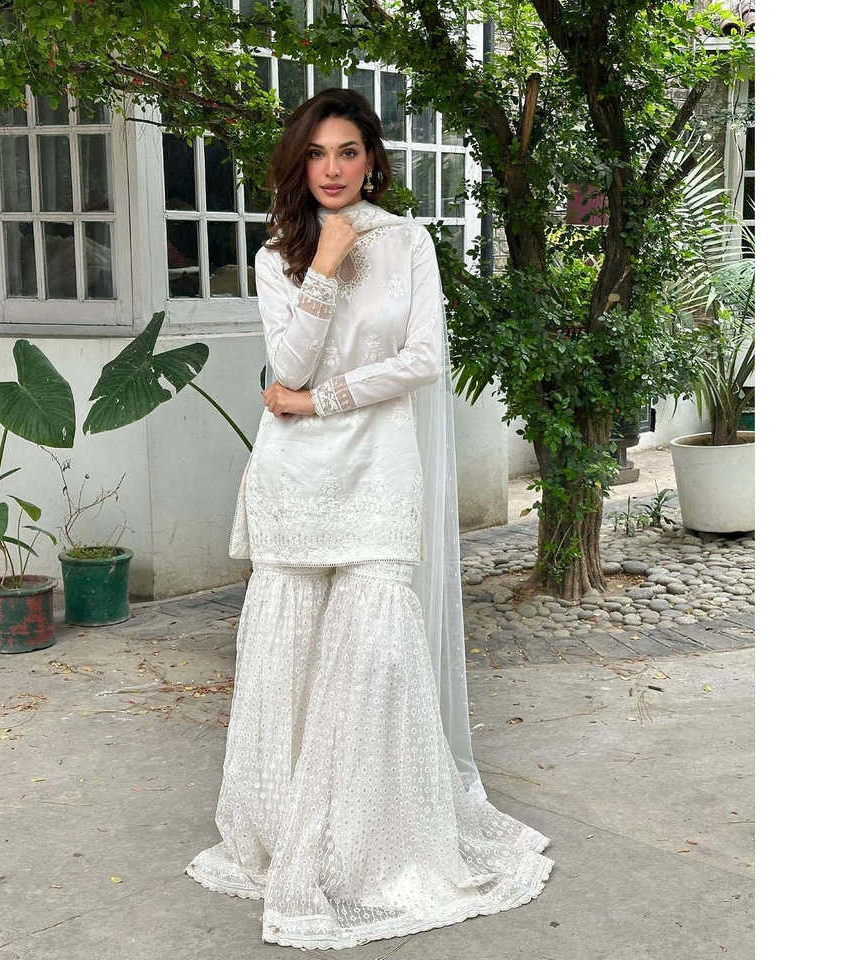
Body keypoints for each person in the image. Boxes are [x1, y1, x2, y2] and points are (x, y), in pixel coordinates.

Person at [185, 88, 554, 950]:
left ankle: (375, 847)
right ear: (299, 163)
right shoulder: (276, 256)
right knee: (289, 657)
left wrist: (321, 402)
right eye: (317, 154)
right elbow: (287, 364)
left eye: (347, 152)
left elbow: (423, 360)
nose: (332, 169)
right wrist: (324, 263)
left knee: (377, 657)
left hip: (377, 472)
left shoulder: (408, 242)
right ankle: (285, 831)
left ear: (372, 160)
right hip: (295, 481)